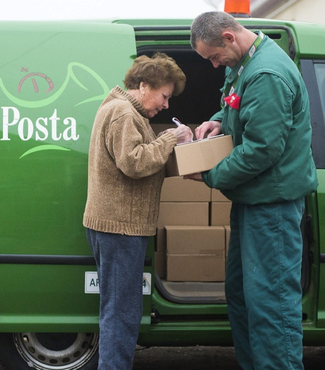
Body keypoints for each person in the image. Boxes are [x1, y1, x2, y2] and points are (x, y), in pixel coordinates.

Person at [187, 11, 318, 370]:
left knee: (271, 305)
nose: (214, 66)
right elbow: (242, 109)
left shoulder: (266, 74)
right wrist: (217, 118)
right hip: (252, 201)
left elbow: (262, 149)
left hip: (271, 207)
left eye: (214, 57)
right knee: (243, 297)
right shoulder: (245, 63)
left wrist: (211, 175)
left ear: (229, 37)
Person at [83, 52, 191, 370]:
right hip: (119, 228)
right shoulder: (122, 113)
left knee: (121, 309)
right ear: (144, 86)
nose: (166, 105)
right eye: (164, 96)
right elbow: (134, 162)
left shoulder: (128, 112)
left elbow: (140, 159)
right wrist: (171, 137)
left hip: (119, 227)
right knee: (121, 313)